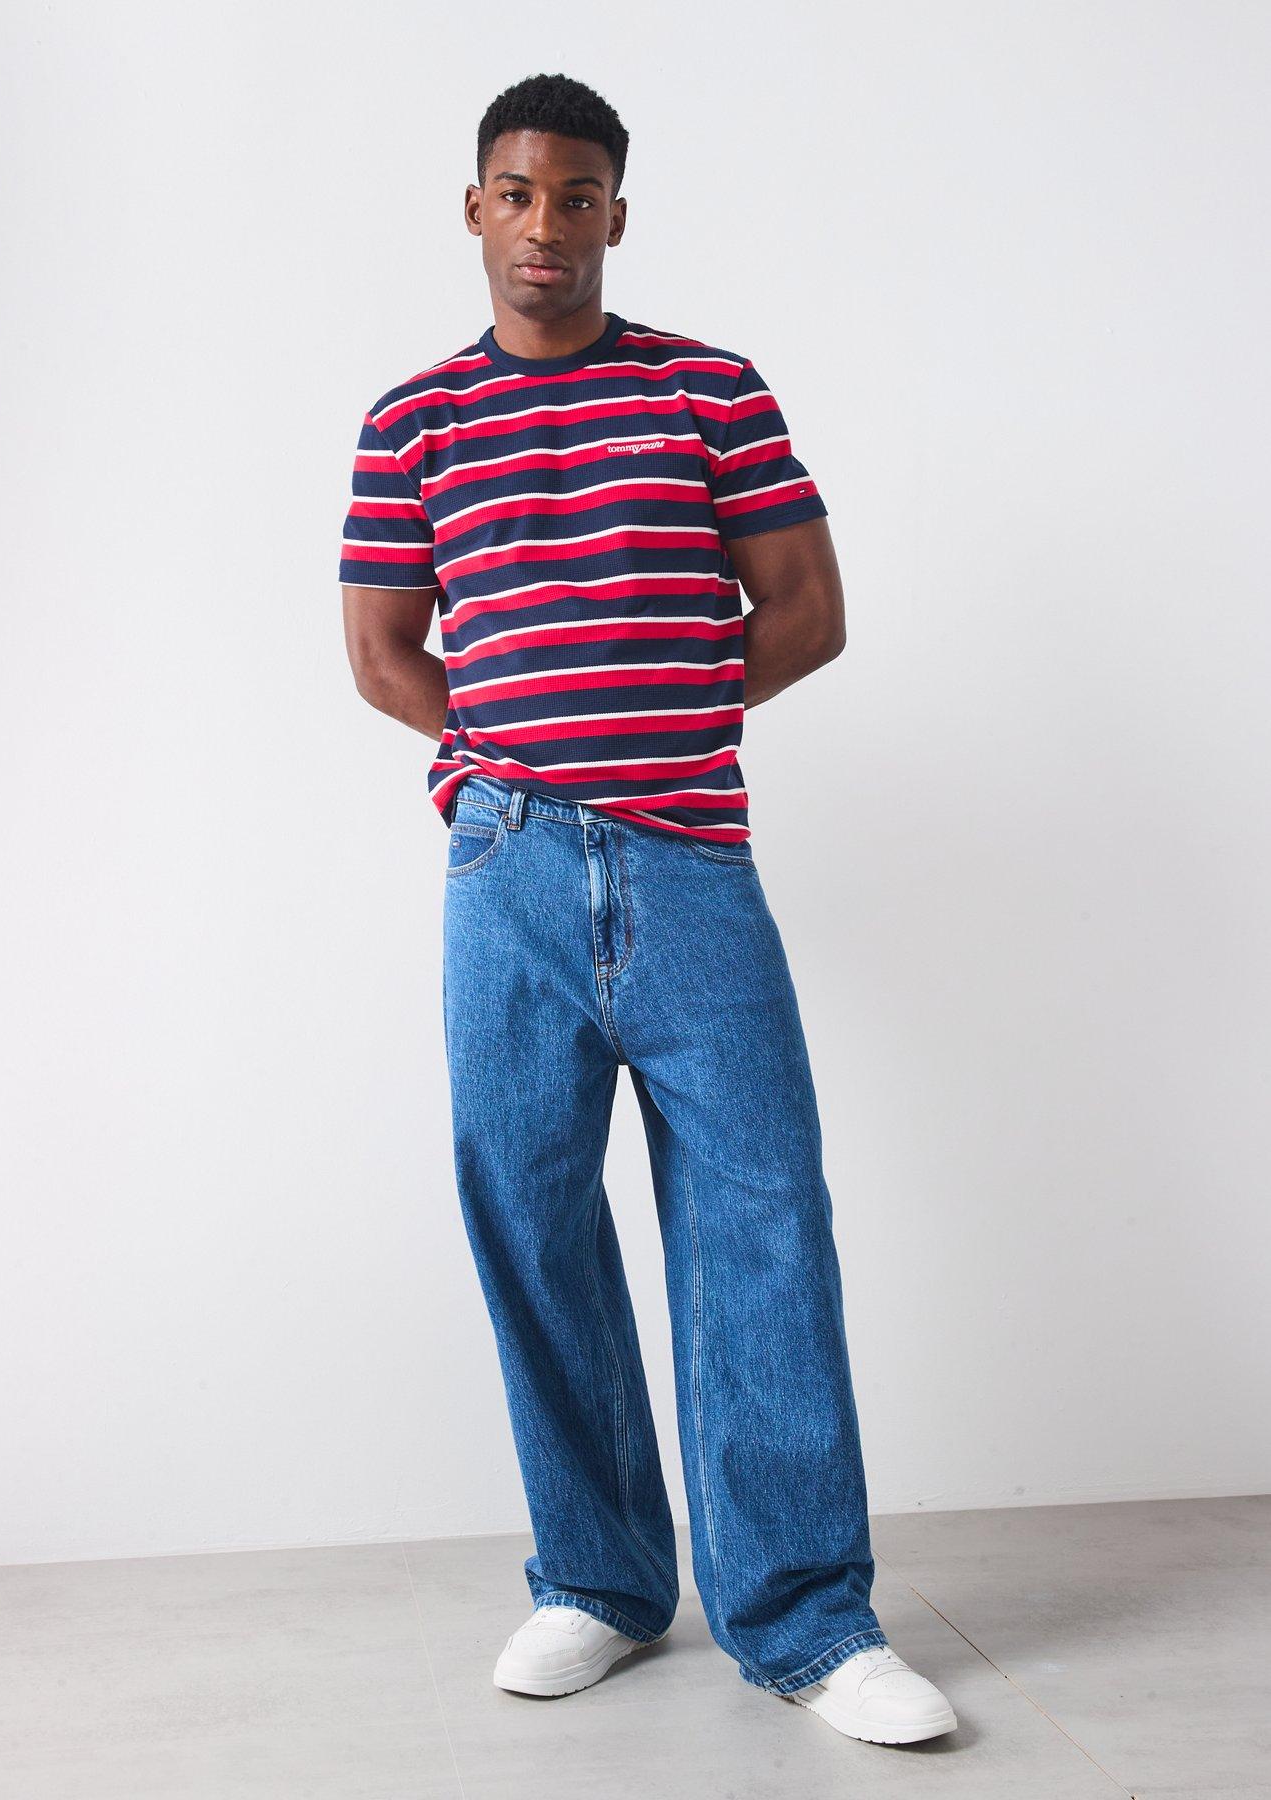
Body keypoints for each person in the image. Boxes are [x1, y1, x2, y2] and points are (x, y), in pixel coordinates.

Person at [340, 71, 957, 1748]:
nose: (545, 223)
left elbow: (805, 608)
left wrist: (663, 719)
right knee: (531, 1216)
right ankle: (598, 1583)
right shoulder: (412, 423)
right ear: (475, 209)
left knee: (760, 1219)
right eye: (517, 192)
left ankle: (807, 1620)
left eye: (578, 194)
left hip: (688, 864)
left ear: (617, 212)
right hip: (508, 871)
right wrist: (508, 752)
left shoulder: (707, 391)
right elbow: (383, 651)